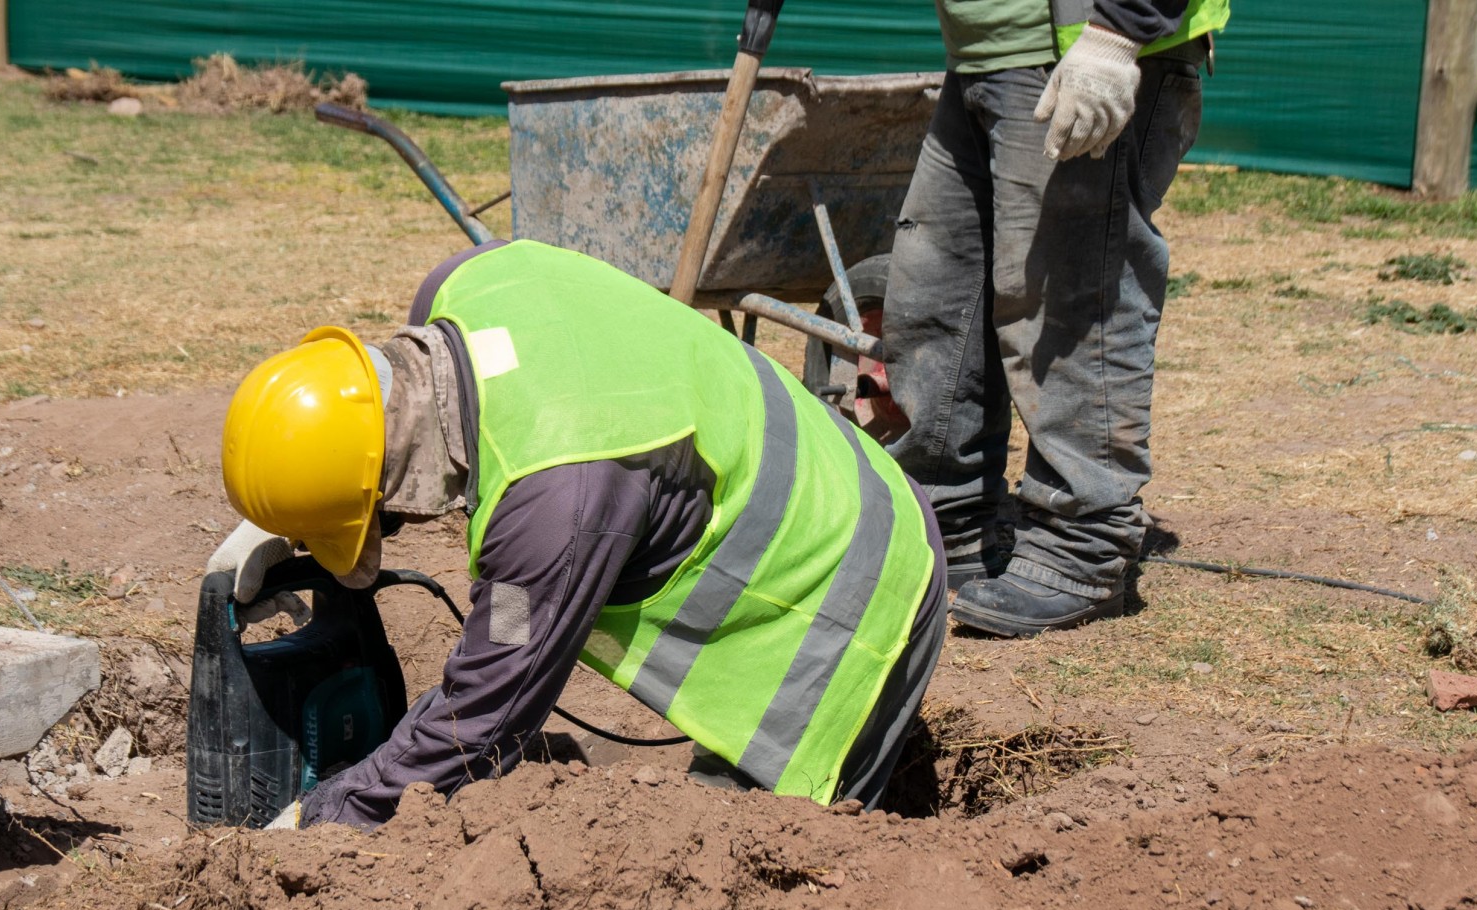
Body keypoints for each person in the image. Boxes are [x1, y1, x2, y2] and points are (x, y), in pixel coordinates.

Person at [209, 239, 946, 830]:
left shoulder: (553, 506)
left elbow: (484, 717)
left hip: (864, 594)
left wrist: (330, 816)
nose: (395, 531)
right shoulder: (465, 281)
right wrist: (291, 507)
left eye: (381, 520)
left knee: (740, 865)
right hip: (824, 473)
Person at [882, 0, 1228, 636]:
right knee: (936, 293)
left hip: (1087, 46)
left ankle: (1081, 544)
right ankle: (948, 522)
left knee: (1072, 301)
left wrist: (1117, 33)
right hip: (987, 53)